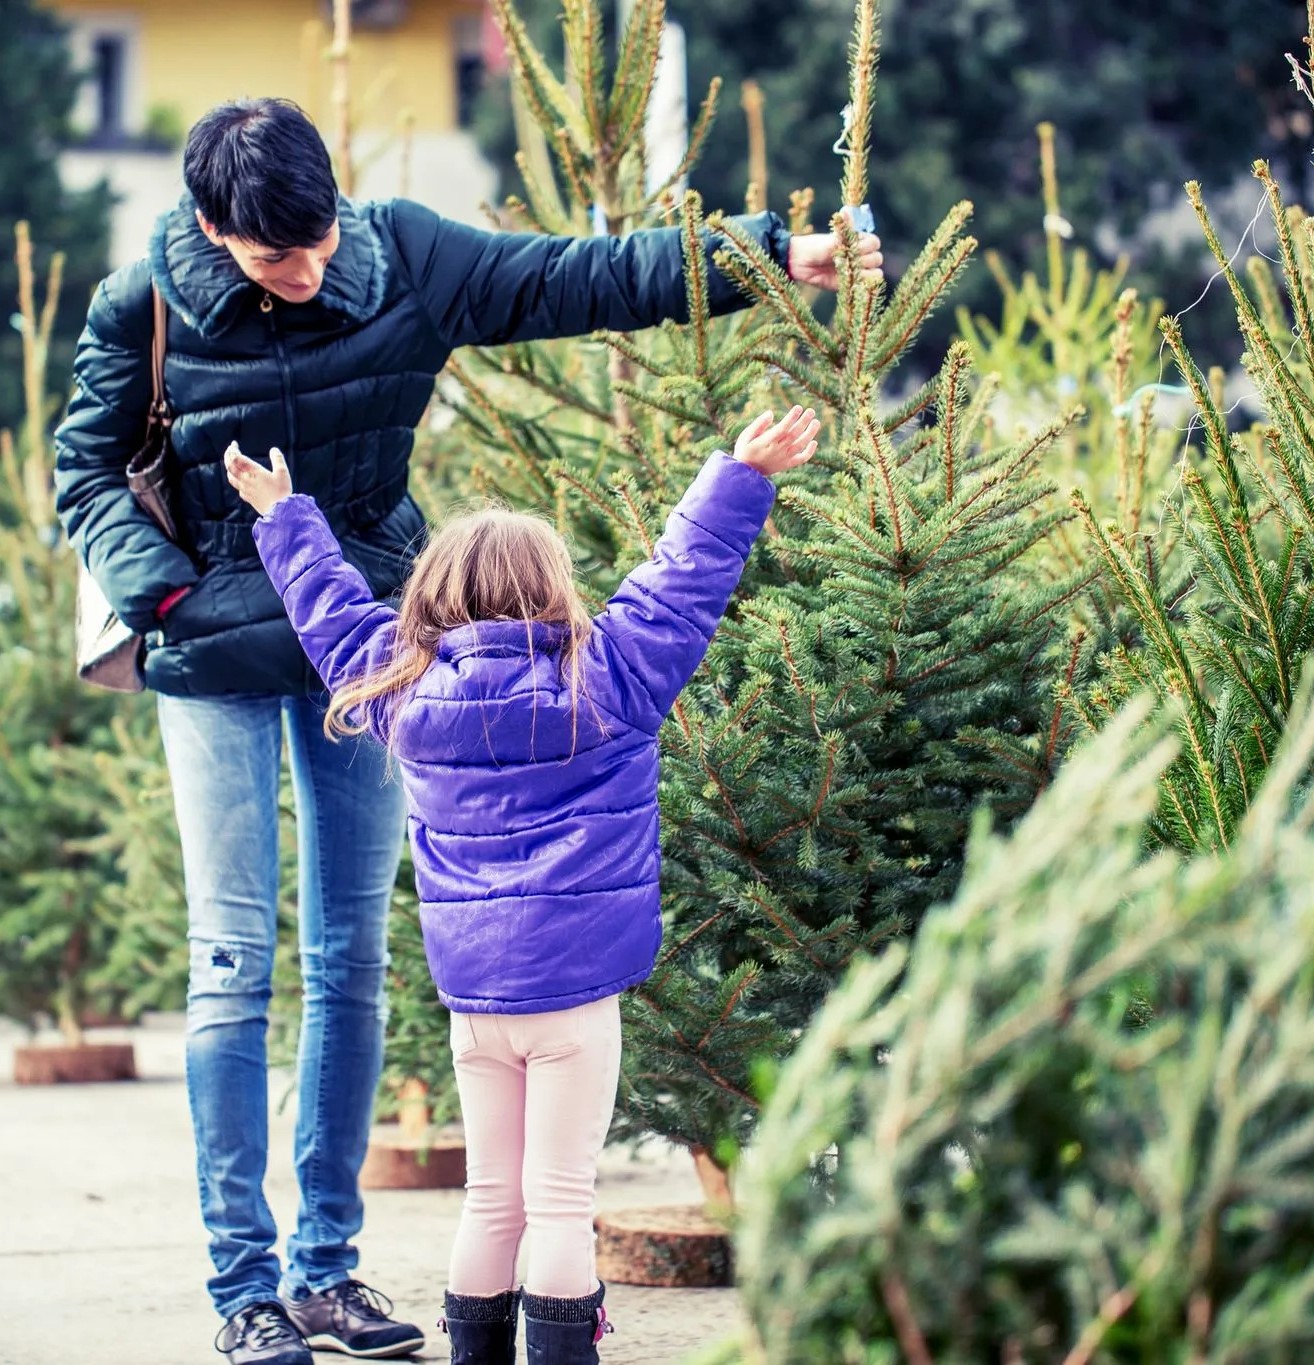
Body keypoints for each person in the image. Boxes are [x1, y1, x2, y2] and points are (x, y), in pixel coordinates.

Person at [53, 96, 878, 1365]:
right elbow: (86, 469)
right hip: (212, 650)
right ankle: (244, 1286)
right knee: (232, 958)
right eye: (280, 255)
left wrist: (768, 256)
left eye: (321, 237)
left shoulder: (402, 258)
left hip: (380, 649)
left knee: (347, 957)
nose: (313, 268)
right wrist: (170, 596)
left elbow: (579, 276)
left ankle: (327, 1271)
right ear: (215, 230)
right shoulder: (142, 306)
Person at [224, 403, 820, 1365]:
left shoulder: (402, 692)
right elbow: (681, 584)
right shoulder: (611, 677)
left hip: (476, 1003)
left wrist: (286, 512)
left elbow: (330, 615)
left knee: (491, 1198)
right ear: (552, 591)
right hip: (576, 1001)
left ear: (434, 594)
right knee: (559, 1202)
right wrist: (740, 474)